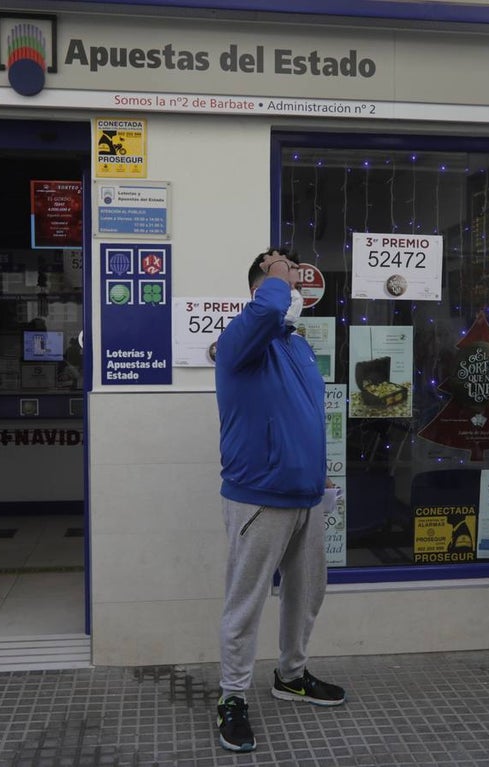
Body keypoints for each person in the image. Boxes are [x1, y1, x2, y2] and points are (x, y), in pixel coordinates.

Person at [213, 248, 345, 753]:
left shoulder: (297, 346)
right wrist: (273, 274)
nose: (295, 292)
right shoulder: (240, 341)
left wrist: (322, 477)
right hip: (258, 498)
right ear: (261, 289)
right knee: (245, 603)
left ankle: (291, 675)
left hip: (307, 496)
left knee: (306, 593)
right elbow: (267, 310)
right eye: (288, 283)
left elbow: (305, 414)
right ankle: (232, 698)